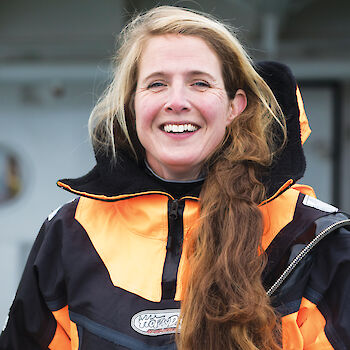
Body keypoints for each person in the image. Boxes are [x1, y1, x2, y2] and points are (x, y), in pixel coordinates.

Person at [1, 6, 349, 350]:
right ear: (132, 104)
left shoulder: (310, 236)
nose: (177, 101)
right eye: (157, 84)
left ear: (234, 106)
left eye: (200, 83)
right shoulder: (70, 232)